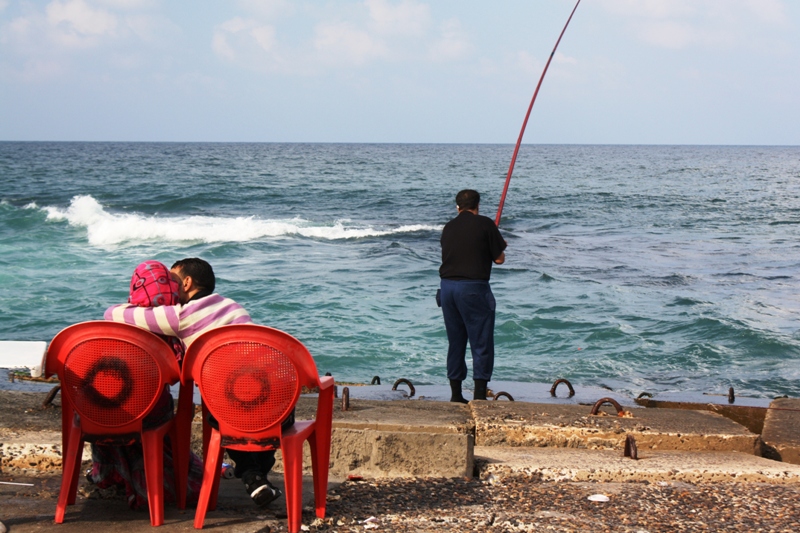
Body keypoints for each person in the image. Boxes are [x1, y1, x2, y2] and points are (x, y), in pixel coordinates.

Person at [104, 257, 285, 507]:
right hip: (276, 393)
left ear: (186, 283)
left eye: (172, 280)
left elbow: (113, 314)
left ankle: (252, 475)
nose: (168, 286)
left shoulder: (182, 315)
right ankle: (256, 478)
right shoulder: (233, 306)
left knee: (221, 414)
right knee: (250, 419)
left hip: (232, 399)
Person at [88, 260, 204, 510]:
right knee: (160, 406)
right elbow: (180, 376)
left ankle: (109, 473)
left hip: (97, 413)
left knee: (113, 401)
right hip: (147, 416)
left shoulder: (111, 321)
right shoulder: (170, 329)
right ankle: (159, 480)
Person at [439, 189, 506, 403]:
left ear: (457, 207)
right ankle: (478, 397)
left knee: (456, 341)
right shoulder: (486, 224)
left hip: (447, 288)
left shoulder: (448, 227)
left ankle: (456, 395)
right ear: (477, 206)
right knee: (481, 342)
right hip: (473, 289)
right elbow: (500, 259)